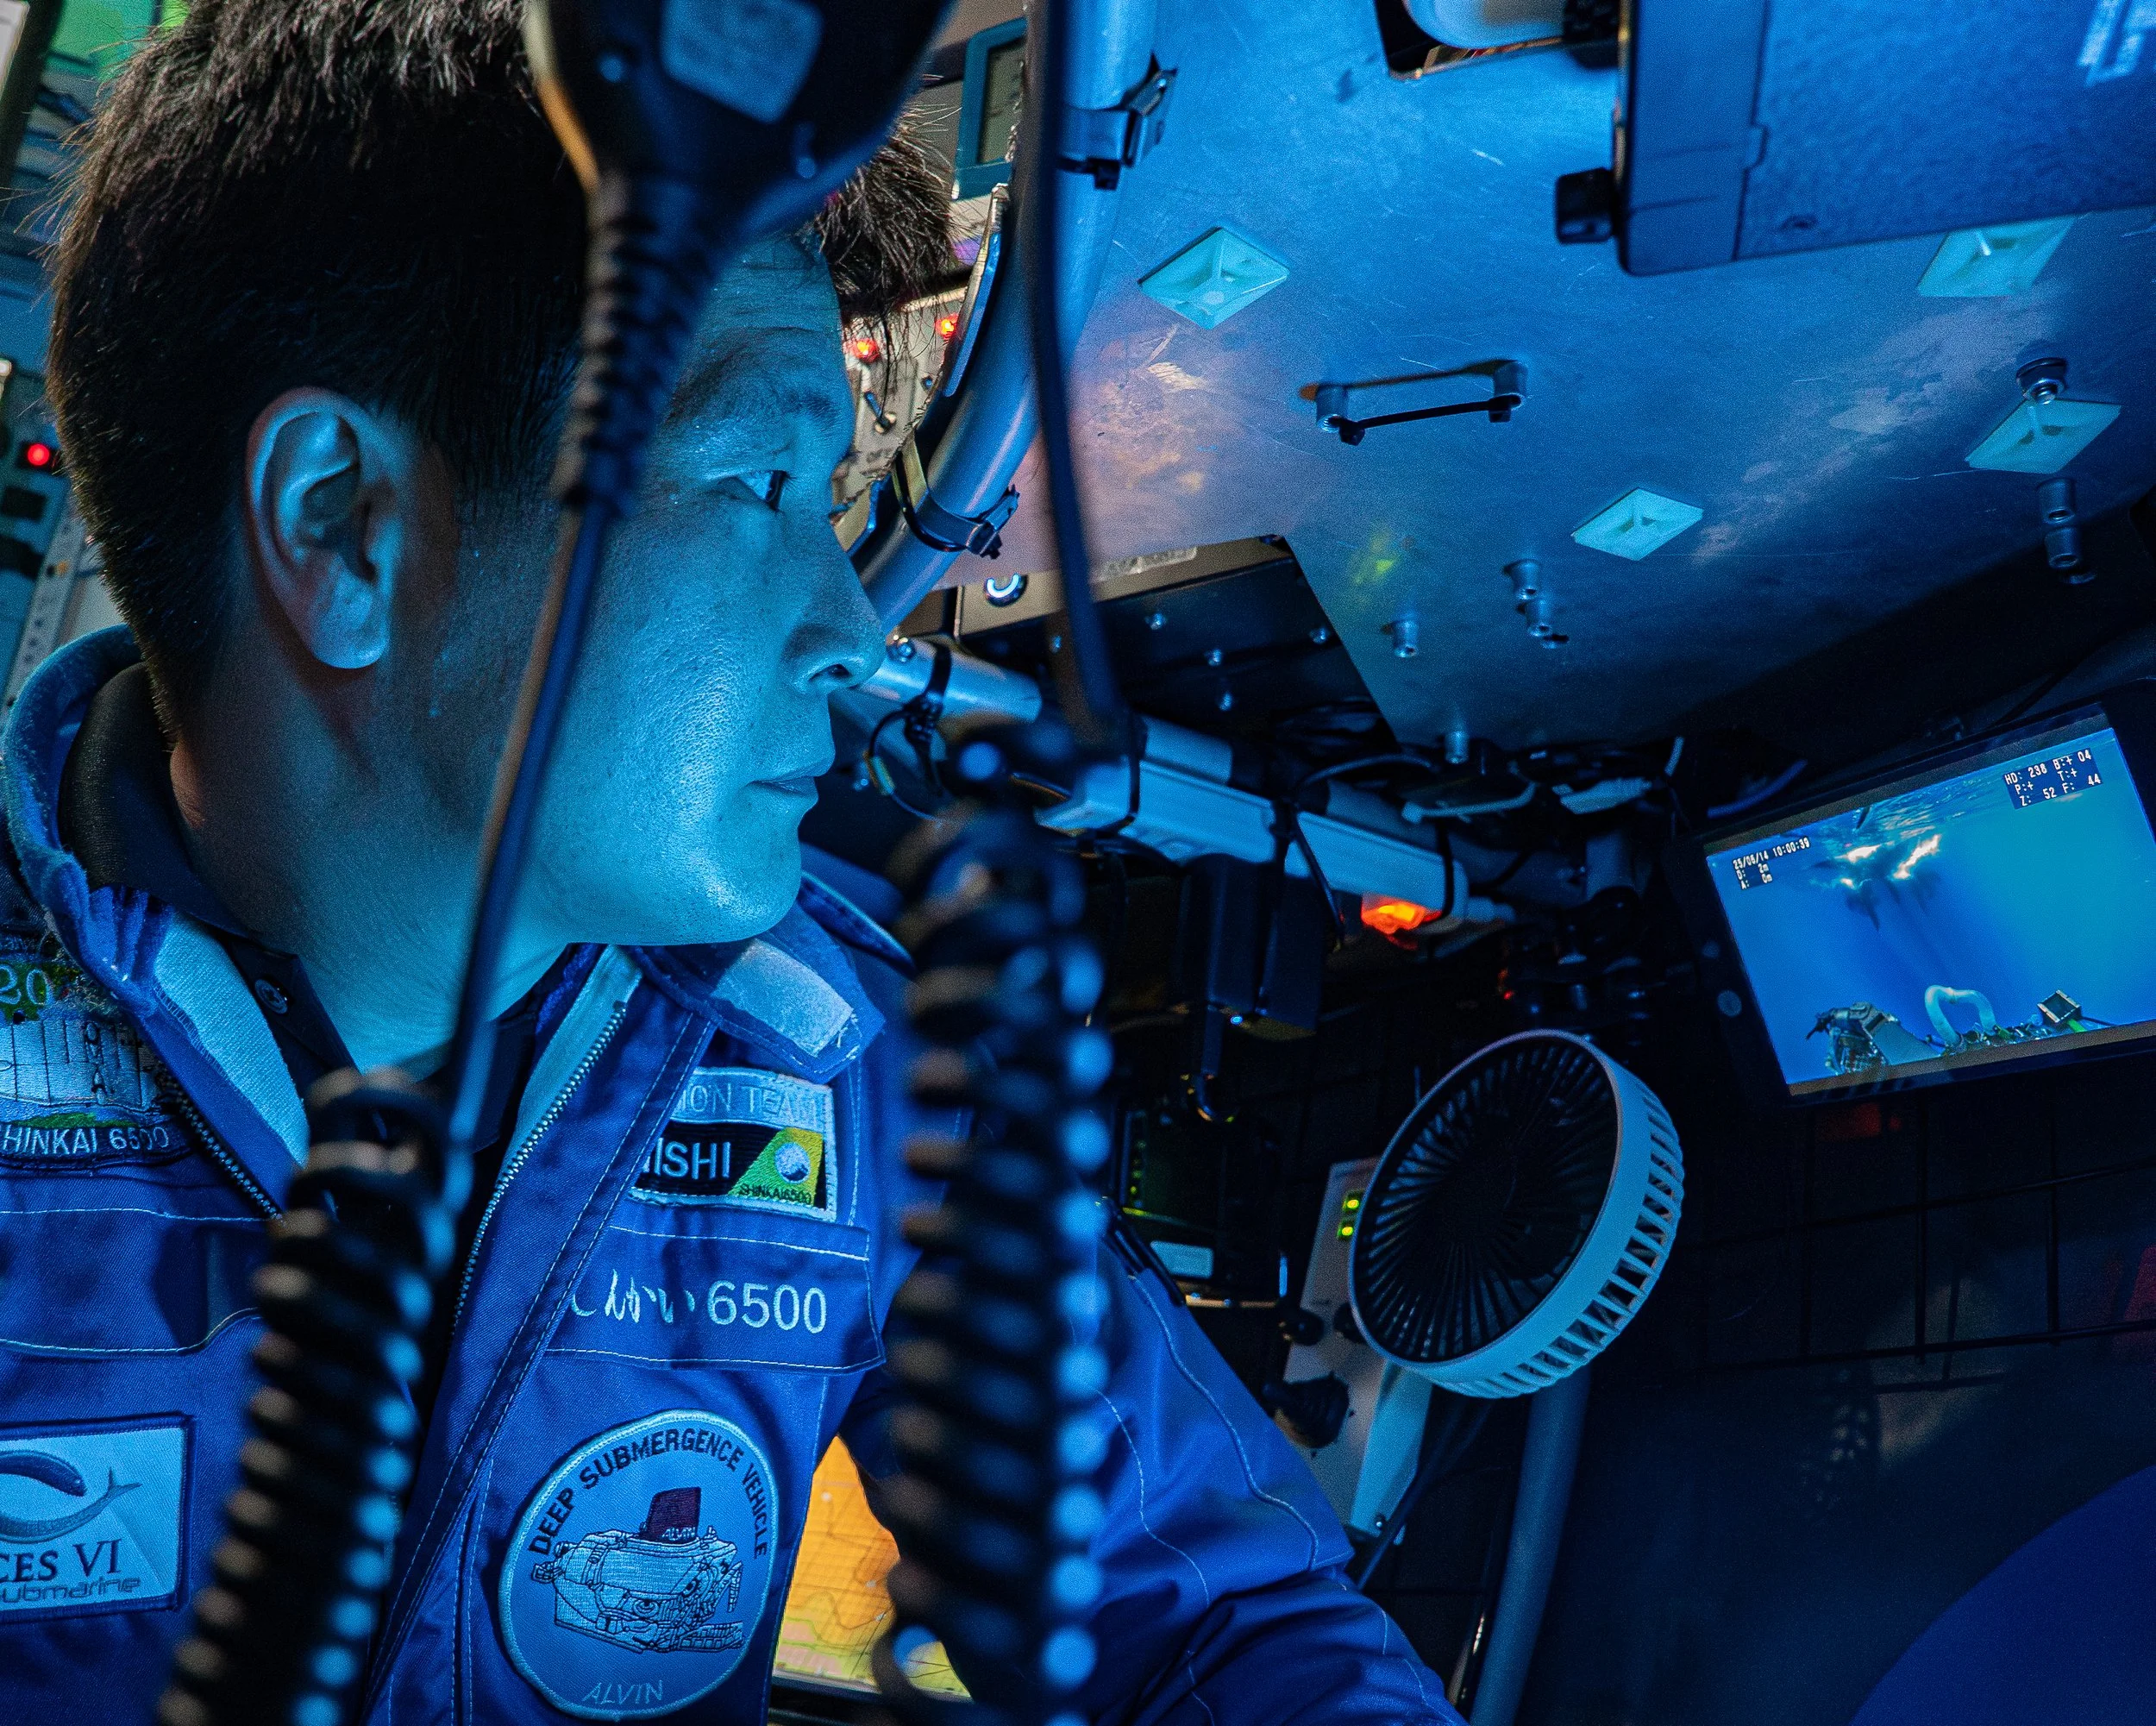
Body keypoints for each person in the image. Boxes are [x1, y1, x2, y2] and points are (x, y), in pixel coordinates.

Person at [0, 3, 1458, 1721]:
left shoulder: (852, 1056)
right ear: (343, 527)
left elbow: (1224, 1623)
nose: (853, 632)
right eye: (760, 482)